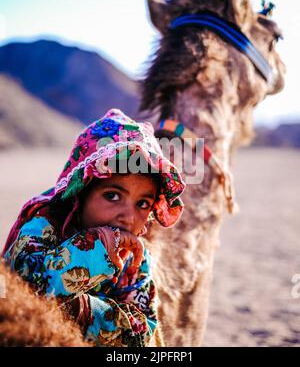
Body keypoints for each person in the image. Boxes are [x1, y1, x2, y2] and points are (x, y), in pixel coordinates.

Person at [2, 108, 185, 347]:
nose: (128, 217)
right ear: (79, 195)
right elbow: (23, 291)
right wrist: (94, 248)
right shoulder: (42, 227)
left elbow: (142, 331)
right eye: (112, 196)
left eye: (142, 203)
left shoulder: (136, 260)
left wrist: (78, 309)